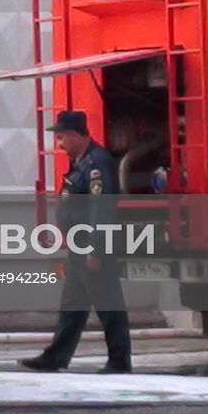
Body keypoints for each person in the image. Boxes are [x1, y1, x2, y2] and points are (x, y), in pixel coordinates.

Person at [20, 110, 132, 374]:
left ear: (74, 135)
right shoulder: (80, 161)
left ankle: (119, 360)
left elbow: (100, 209)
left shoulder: (96, 163)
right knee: (73, 306)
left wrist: (96, 249)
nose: (58, 144)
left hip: (92, 246)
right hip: (78, 246)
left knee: (108, 304)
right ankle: (56, 357)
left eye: (61, 138)